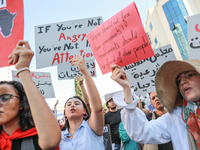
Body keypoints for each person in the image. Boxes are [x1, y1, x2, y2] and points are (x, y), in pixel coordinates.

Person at [110, 59, 200, 150]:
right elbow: (141, 132)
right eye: (179, 80)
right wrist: (126, 89)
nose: (183, 82)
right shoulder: (175, 117)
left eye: (191, 75)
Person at [0, 40, 61, 150]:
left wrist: (23, 69)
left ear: (21, 104)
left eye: (4, 97)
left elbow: (51, 141)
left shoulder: (37, 139)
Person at [59, 55, 104, 150]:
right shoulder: (58, 137)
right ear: (65, 114)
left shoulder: (92, 129)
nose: (72, 105)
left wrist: (85, 72)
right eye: (69, 104)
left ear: (84, 111)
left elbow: (97, 108)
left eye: (77, 103)